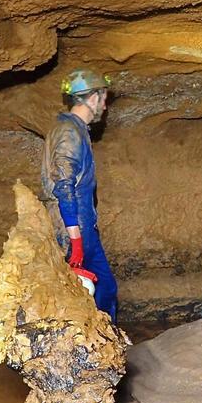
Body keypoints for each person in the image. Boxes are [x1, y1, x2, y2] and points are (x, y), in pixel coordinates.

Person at [40, 68, 118, 321]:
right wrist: (75, 240)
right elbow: (64, 184)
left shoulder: (74, 129)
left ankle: (101, 341)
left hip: (80, 225)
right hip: (73, 227)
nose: (105, 106)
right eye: (103, 98)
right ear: (92, 98)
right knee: (95, 290)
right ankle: (96, 346)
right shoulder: (69, 133)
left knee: (98, 289)